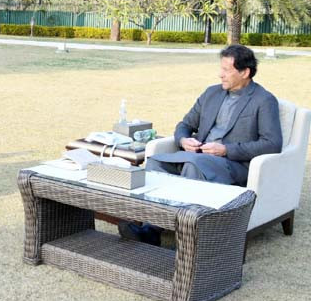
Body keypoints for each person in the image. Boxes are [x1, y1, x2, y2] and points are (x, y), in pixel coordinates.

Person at [120, 44, 282, 246]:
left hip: (233, 164)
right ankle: (152, 229)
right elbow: (185, 125)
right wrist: (182, 140)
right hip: (198, 155)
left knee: (193, 165)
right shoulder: (211, 93)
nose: (220, 74)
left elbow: (272, 144)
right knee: (155, 162)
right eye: (220, 68)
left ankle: (186, 239)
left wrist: (226, 150)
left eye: (226, 70)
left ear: (245, 72)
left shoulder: (264, 100)